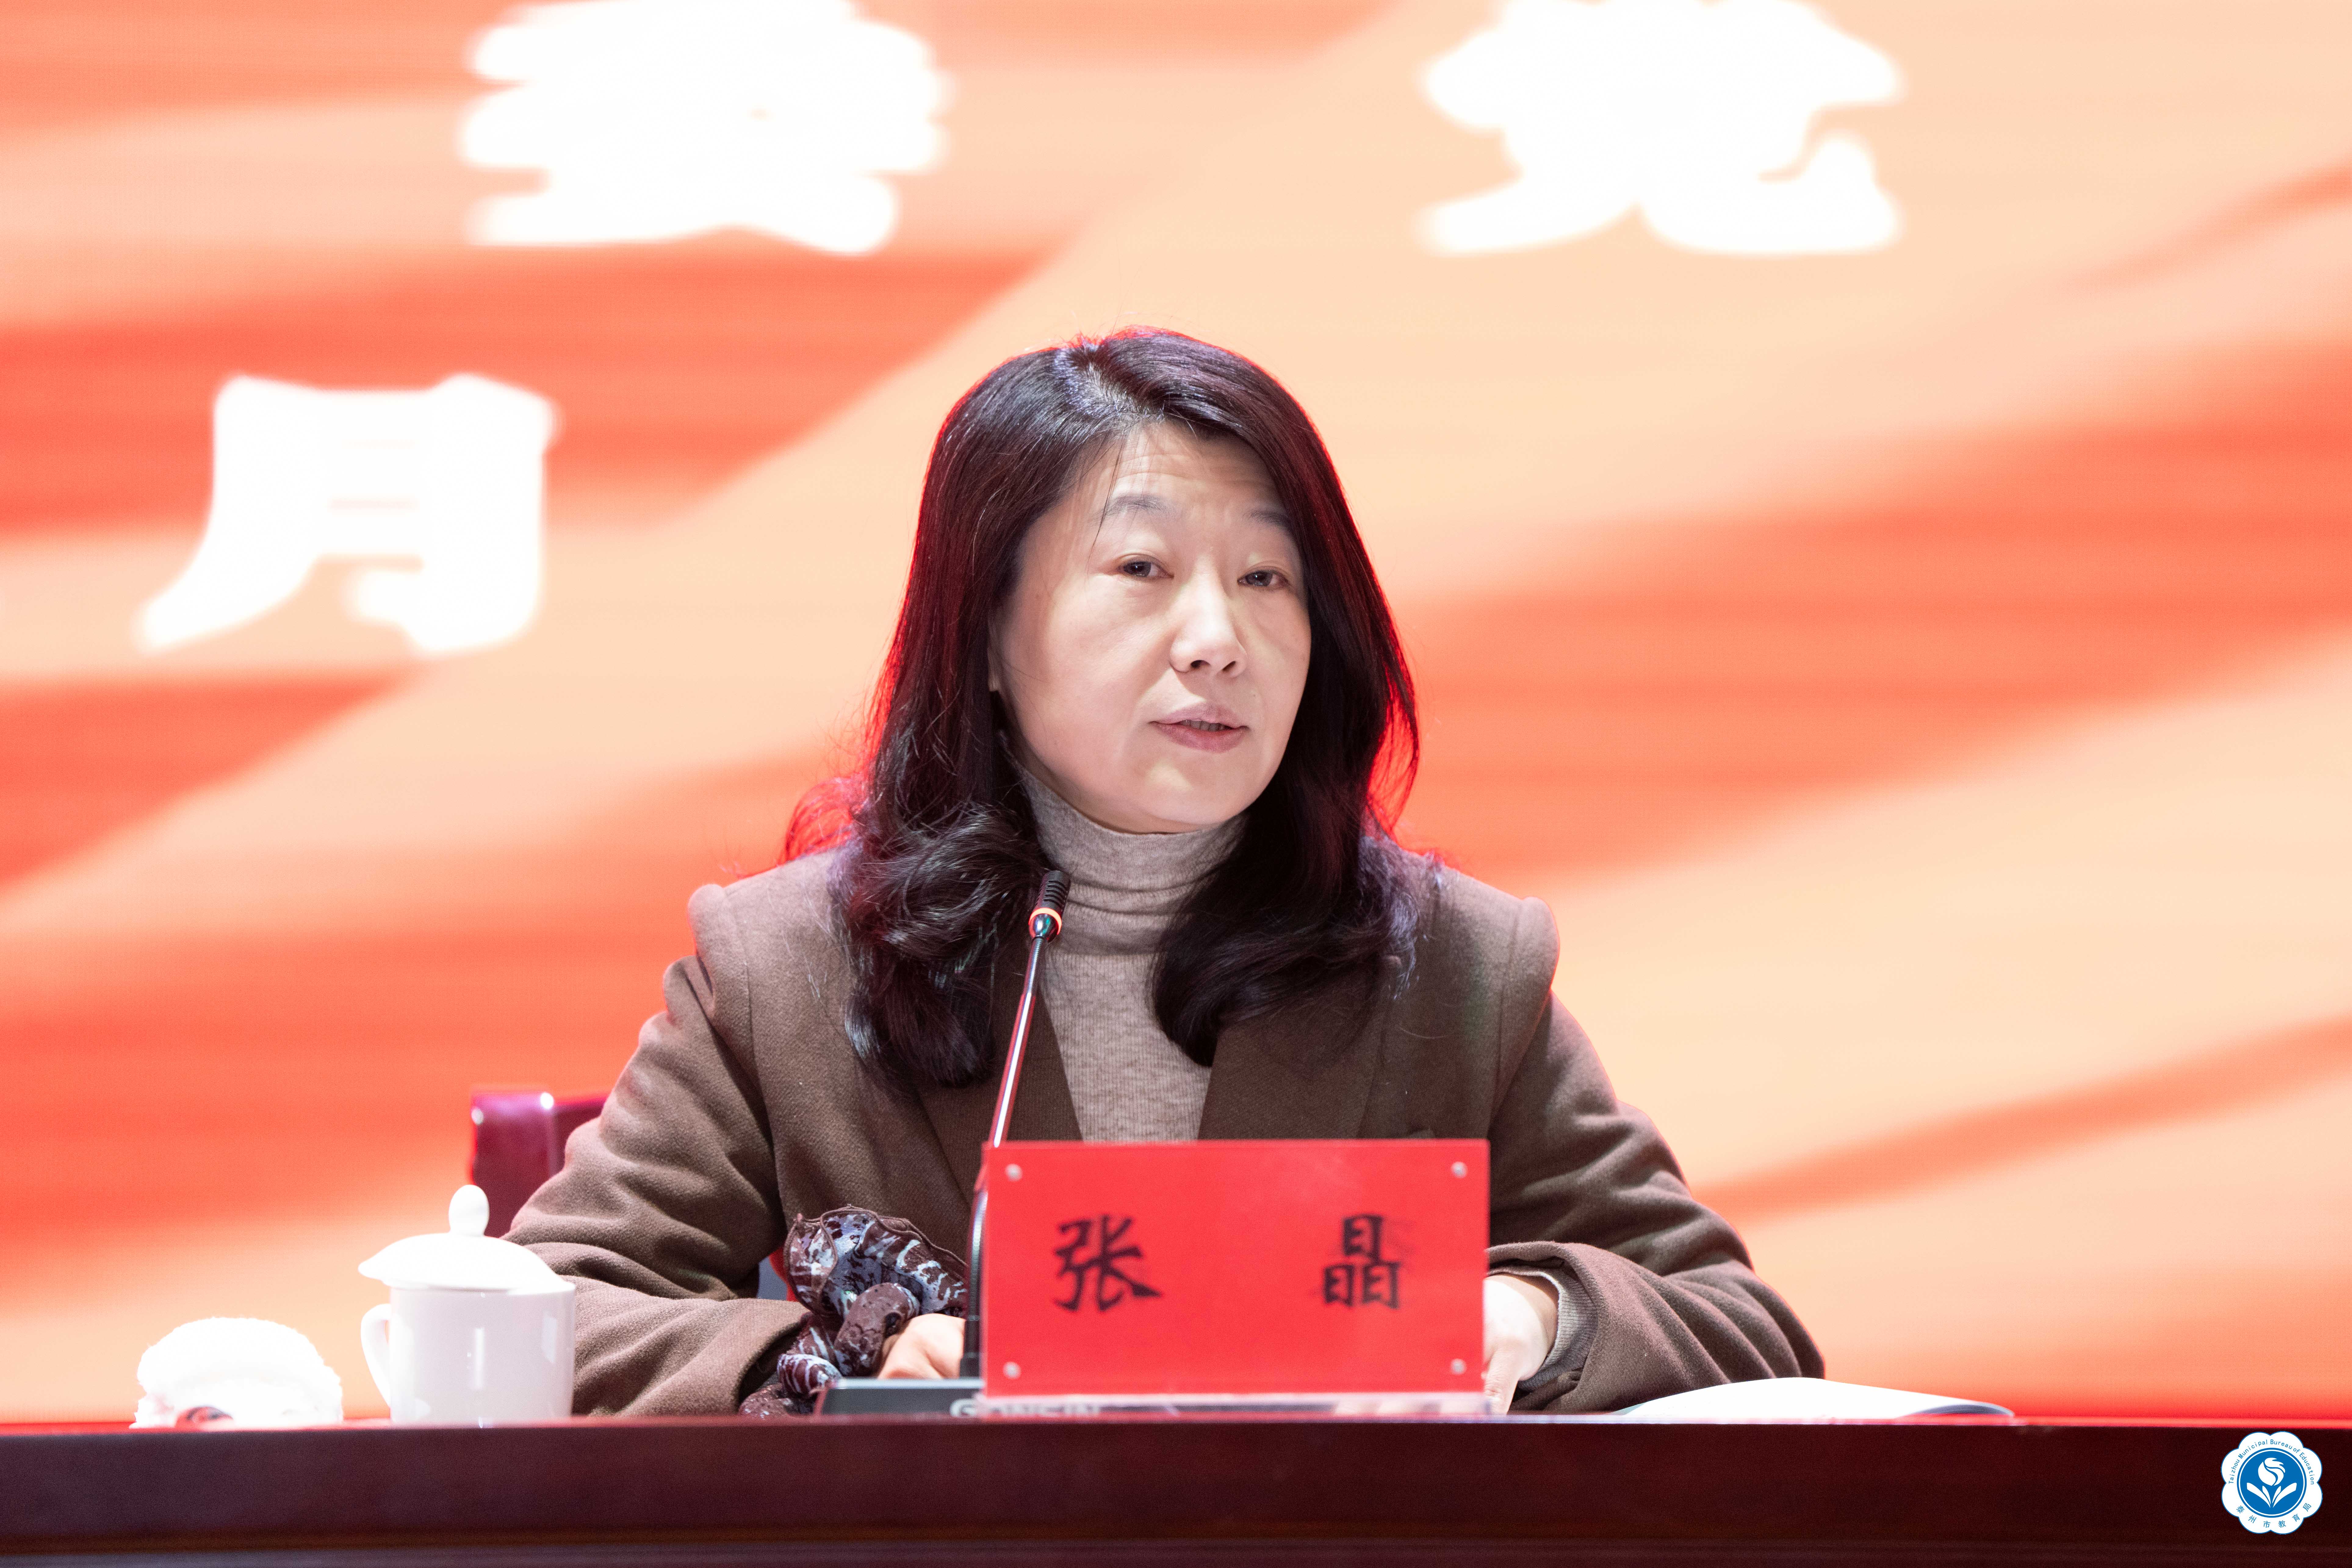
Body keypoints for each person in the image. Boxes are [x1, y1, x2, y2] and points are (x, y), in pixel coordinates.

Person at [510, 328, 1821, 1415]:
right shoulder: (786, 966)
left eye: (1267, 576)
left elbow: (1739, 1323)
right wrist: (836, 1364)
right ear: (985, 632)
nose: (1216, 636)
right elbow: (547, 1312)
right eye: (1141, 569)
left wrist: (1531, 1315)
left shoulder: (1455, 968)